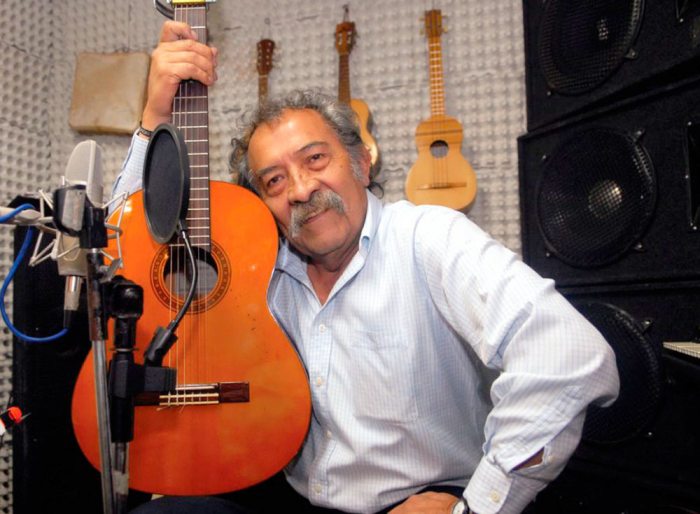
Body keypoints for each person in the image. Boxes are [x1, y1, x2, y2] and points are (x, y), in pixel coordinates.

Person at [116, 21, 619, 514]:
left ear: (361, 161)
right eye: (274, 181)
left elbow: (569, 357)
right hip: (292, 491)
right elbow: (124, 250)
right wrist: (155, 117)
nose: (301, 190)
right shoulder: (258, 270)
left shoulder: (428, 237)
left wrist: (476, 505)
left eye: (316, 159)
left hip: (418, 497)